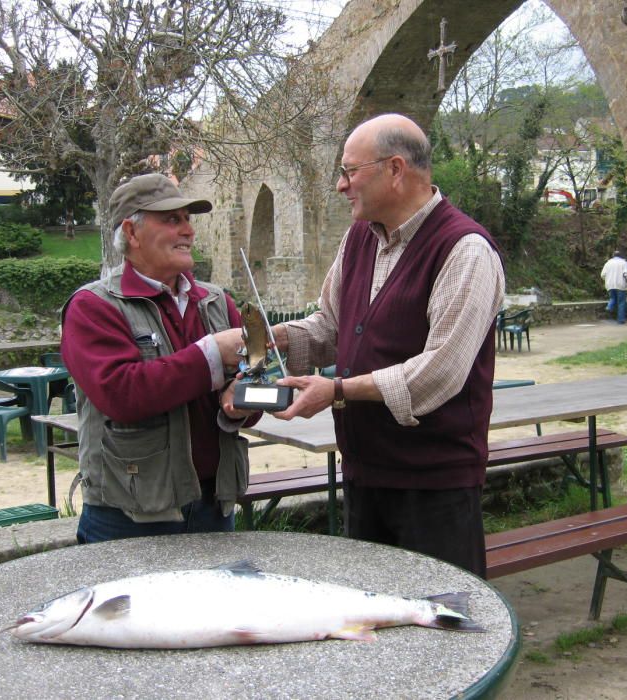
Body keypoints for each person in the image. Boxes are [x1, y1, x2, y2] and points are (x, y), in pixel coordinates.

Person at [270, 114, 506, 577]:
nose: (341, 185)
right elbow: (331, 327)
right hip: (365, 474)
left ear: (395, 170)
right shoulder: (359, 237)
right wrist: (268, 340)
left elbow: (441, 370)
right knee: (375, 623)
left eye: (349, 171)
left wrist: (338, 391)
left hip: (434, 486)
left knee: (440, 627)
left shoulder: (465, 249)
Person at [61, 173, 255, 544]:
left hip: (215, 508)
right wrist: (212, 354)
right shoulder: (93, 307)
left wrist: (241, 399)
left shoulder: (217, 302)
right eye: (171, 220)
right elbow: (122, 394)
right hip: (128, 517)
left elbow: (253, 384)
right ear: (131, 233)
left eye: (188, 219)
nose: (188, 231)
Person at [601, 250, 627, 324]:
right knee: (621, 302)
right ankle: (620, 320)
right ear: (620, 256)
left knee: (612, 298)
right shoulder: (623, 263)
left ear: (613, 256)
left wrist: (608, 279)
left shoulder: (608, 263)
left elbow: (602, 275)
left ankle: (609, 307)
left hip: (610, 285)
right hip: (620, 284)